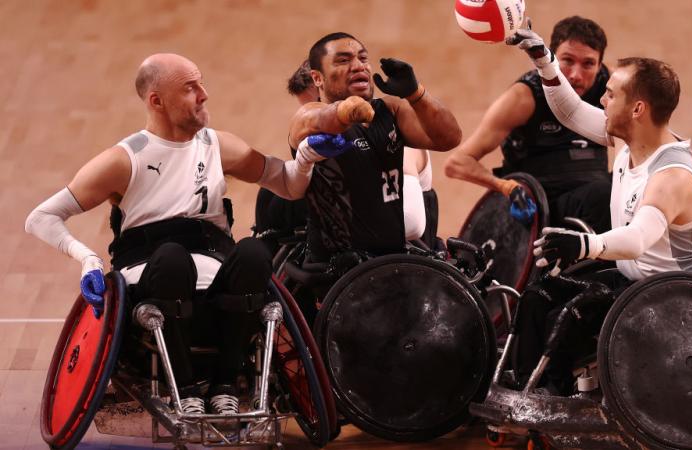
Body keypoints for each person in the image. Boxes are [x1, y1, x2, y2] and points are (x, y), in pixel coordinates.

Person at [24, 53, 352, 416]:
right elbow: (42, 217)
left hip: (216, 282)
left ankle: (226, 383)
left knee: (256, 252)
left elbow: (289, 185)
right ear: (156, 101)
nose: (204, 94)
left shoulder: (217, 145)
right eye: (190, 88)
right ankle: (186, 387)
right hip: (153, 276)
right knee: (173, 258)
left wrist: (306, 157)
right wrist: (87, 259)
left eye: (201, 84)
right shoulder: (124, 159)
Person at [505, 27, 692, 393]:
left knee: (566, 318)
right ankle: (527, 392)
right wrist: (542, 57)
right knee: (539, 297)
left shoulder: (672, 176)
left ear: (637, 109)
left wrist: (584, 245)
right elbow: (569, 110)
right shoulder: (631, 141)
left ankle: (555, 399)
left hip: (671, 297)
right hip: (631, 284)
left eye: (610, 94)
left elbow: (637, 239)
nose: (602, 99)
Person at [289, 33, 461, 263]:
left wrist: (416, 94)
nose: (358, 66)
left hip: (390, 263)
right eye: (343, 60)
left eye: (362, 58)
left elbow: (450, 138)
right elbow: (325, 117)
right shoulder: (307, 115)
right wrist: (351, 107)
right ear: (317, 78)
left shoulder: (390, 111)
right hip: (334, 271)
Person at [444, 16, 613, 233]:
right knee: (604, 195)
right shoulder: (523, 97)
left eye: (588, 64)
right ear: (551, 57)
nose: (576, 75)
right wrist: (506, 187)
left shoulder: (612, 88)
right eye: (568, 60)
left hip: (595, 195)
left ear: (600, 65)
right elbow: (457, 163)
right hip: (542, 207)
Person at [255, 60, 439, 249]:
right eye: (307, 113)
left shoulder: (394, 134)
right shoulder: (322, 144)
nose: (312, 120)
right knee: (273, 196)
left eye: (320, 108)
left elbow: (411, 223)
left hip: (403, 261)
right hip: (350, 259)